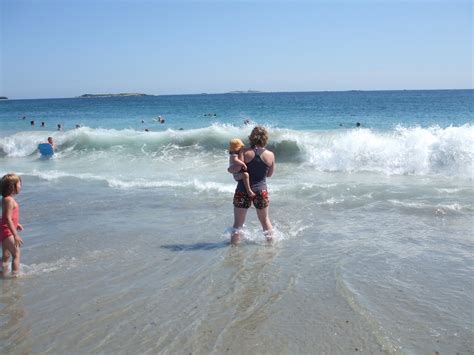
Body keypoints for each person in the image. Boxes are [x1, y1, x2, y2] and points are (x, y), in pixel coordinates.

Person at [228, 126, 275, 245]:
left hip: (243, 190)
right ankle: (271, 247)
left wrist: (230, 168)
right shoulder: (270, 155)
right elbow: (269, 174)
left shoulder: (244, 152)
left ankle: (234, 252)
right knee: (265, 221)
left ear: (251, 137)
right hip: (261, 190)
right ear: (265, 138)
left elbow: (237, 168)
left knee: (237, 224)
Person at [0, 174, 24, 277]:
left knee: (6, 255)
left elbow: (6, 216)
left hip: (4, 230)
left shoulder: (5, 199)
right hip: (8, 232)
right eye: (19, 183)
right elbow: (8, 218)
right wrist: (15, 235)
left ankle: (3, 274)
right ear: (12, 186)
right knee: (16, 254)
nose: (20, 186)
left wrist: (16, 223)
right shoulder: (9, 200)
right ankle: (15, 276)